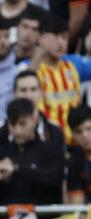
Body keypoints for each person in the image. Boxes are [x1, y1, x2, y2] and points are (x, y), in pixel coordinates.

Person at [22, 16, 91, 145]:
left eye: (64, 37)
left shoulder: (74, 63)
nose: (60, 43)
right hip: (46, 144)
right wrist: (40, 53)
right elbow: (23, 81)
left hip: (78, 143)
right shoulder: (29, 66)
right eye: (54, 38)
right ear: (40, 38)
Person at [0, 98, 65, 206]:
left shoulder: (51, 150)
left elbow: (55, 180)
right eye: (13, 125)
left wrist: (17, 169)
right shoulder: (1, 153)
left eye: (22, 124)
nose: (17, 131)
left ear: (34, 121)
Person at [0, 70, 64, 158]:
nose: (28, 95)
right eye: (23, 90)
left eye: (33, 89)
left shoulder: (54, 130)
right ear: (14, 94)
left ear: (41, 93)